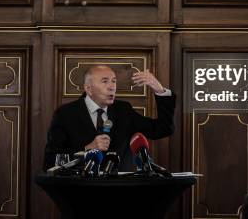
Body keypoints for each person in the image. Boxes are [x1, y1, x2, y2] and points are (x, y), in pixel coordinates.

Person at [43, 65, 175, 171]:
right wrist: (86, 149)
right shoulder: (65, 114)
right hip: (80, 192)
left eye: (114, 81)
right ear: (89, 88)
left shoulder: (123, 110)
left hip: (119, 191)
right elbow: (50, 161)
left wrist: (159, 90)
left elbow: (163, 129)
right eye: (105, 81)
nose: (112, 87)